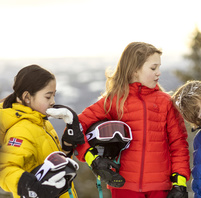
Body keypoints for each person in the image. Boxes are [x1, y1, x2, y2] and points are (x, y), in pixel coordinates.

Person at [74, 42, 191, 198]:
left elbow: (179, 144)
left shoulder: (165, 103)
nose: (159, 73)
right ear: (135, 70)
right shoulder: (114, 101)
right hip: (123, 186)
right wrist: (93, 159)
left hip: (160, 187)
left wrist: (180, 183)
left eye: (159, 68)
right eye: (153, 68)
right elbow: (75, 129)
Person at [0, 65, 82, 198]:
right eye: (48, 97)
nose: (53, 102)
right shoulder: (21, 129)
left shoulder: (43, 124)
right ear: (27, 97)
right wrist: (33, 188)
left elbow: (51, 162)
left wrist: (67, 147)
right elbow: (5, 169)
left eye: (54, 95)